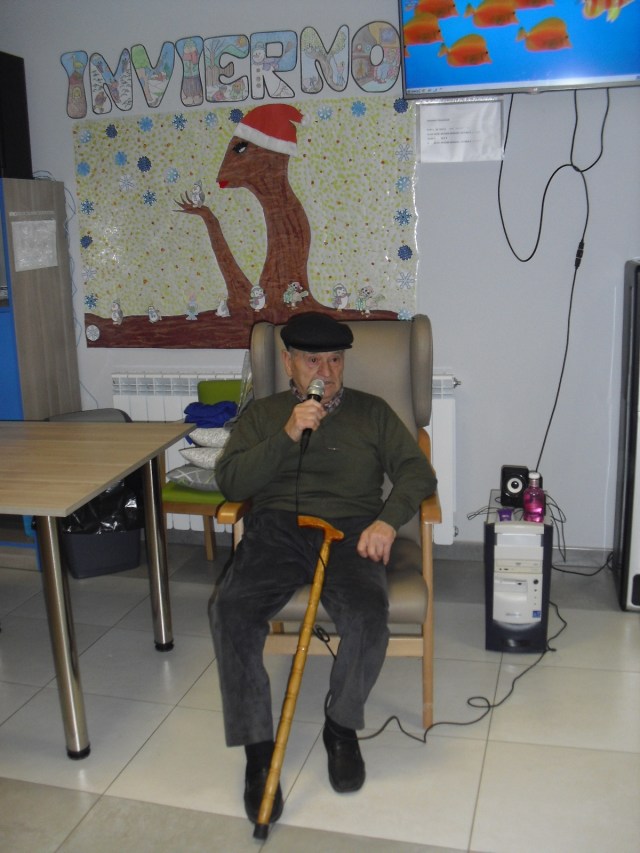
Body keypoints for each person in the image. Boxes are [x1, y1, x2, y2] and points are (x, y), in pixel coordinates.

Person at [209, 311, 437, 826]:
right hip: (277, 530)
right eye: (313, 360)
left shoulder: (372, 412)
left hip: (353, 529)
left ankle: (341, 727)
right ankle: (258, 752)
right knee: (231, 612)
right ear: (288, 362)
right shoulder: (265, 414)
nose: (327, 372)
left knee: (368, 617)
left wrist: (386, 522)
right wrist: (288, 433)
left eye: (335, 360)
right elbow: (232, 483)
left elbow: (417, 473)